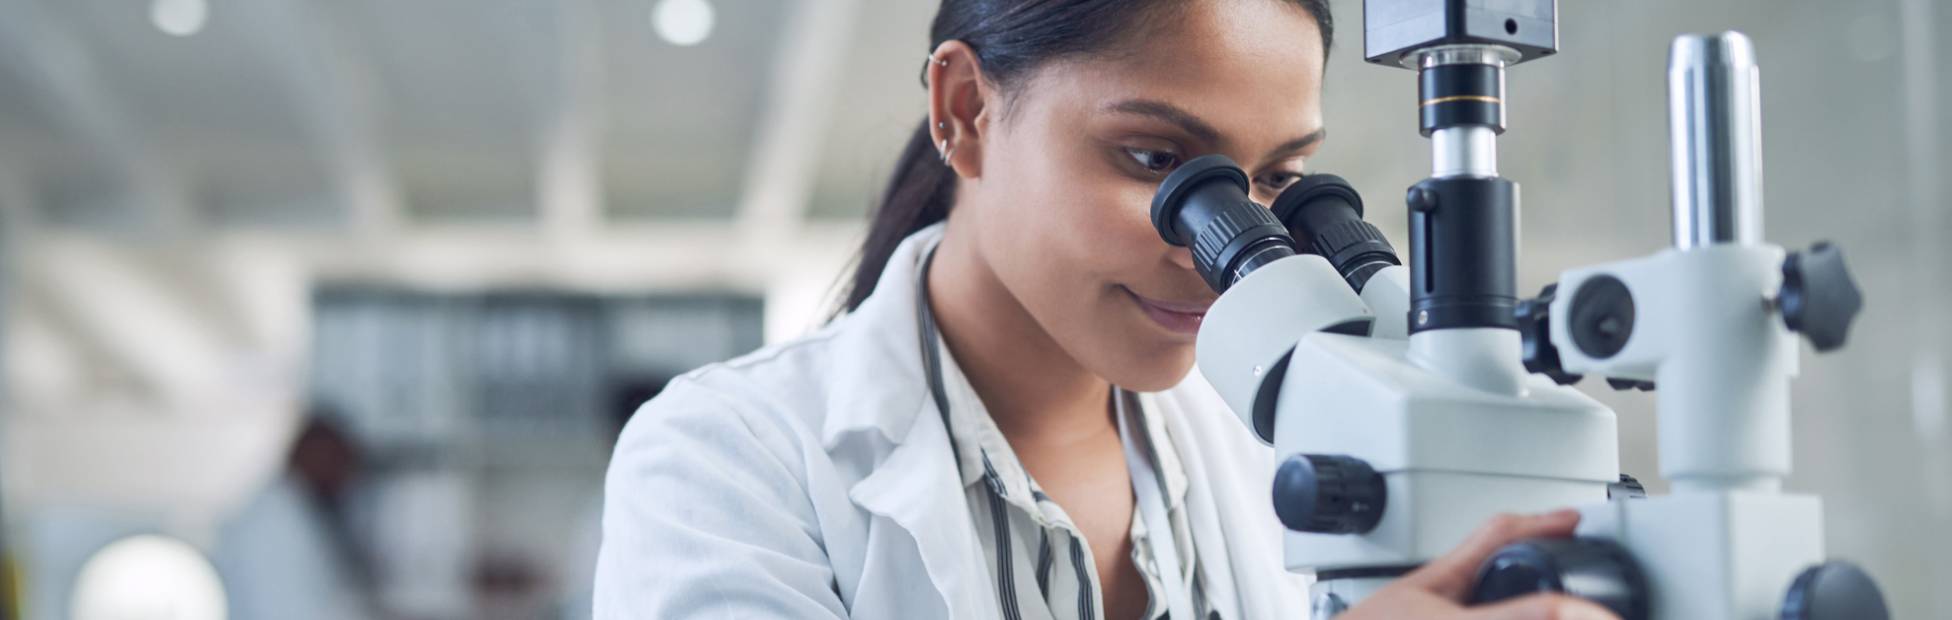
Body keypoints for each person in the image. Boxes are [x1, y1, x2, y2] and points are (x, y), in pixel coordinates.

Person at [595, 1, 1619, 618]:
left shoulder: (1262, 455)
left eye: (1274, 180)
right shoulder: (721, 458)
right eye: (1157, 162)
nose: (1218, 248)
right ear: (965, 112)